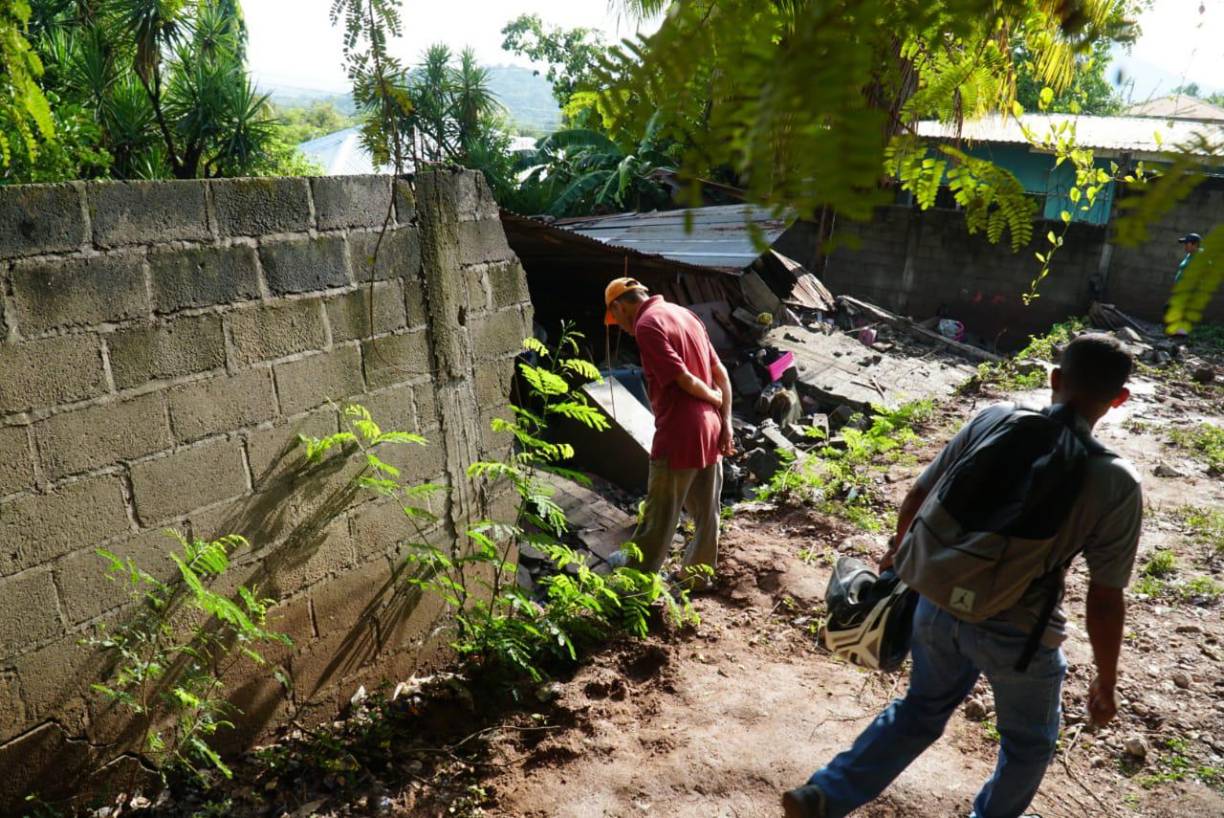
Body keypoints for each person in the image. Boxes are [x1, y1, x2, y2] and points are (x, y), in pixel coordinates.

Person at [783, 334, 1144, 818]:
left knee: (920, 708)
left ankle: (826, 794)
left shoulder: (994, 419)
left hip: (935, 602)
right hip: (1019, 633)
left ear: (1055, 378)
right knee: (1029, 744)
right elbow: (1104, 596)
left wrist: (898, 557)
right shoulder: (1116, 480)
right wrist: (1106, 678)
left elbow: (918, 496)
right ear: (1120, 399)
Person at [603, 277, 734, 589]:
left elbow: (683, 379)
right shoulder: (685, 314)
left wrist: (714, 398)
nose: (622, 328)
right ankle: (696, 579)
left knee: (659, 516)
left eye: (616, 320)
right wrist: (726, 421)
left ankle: (633, 589)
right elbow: (721, 373)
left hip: (680, 431)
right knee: (707, 514)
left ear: (619, 307)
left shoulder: (647, 324)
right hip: (711, 428)